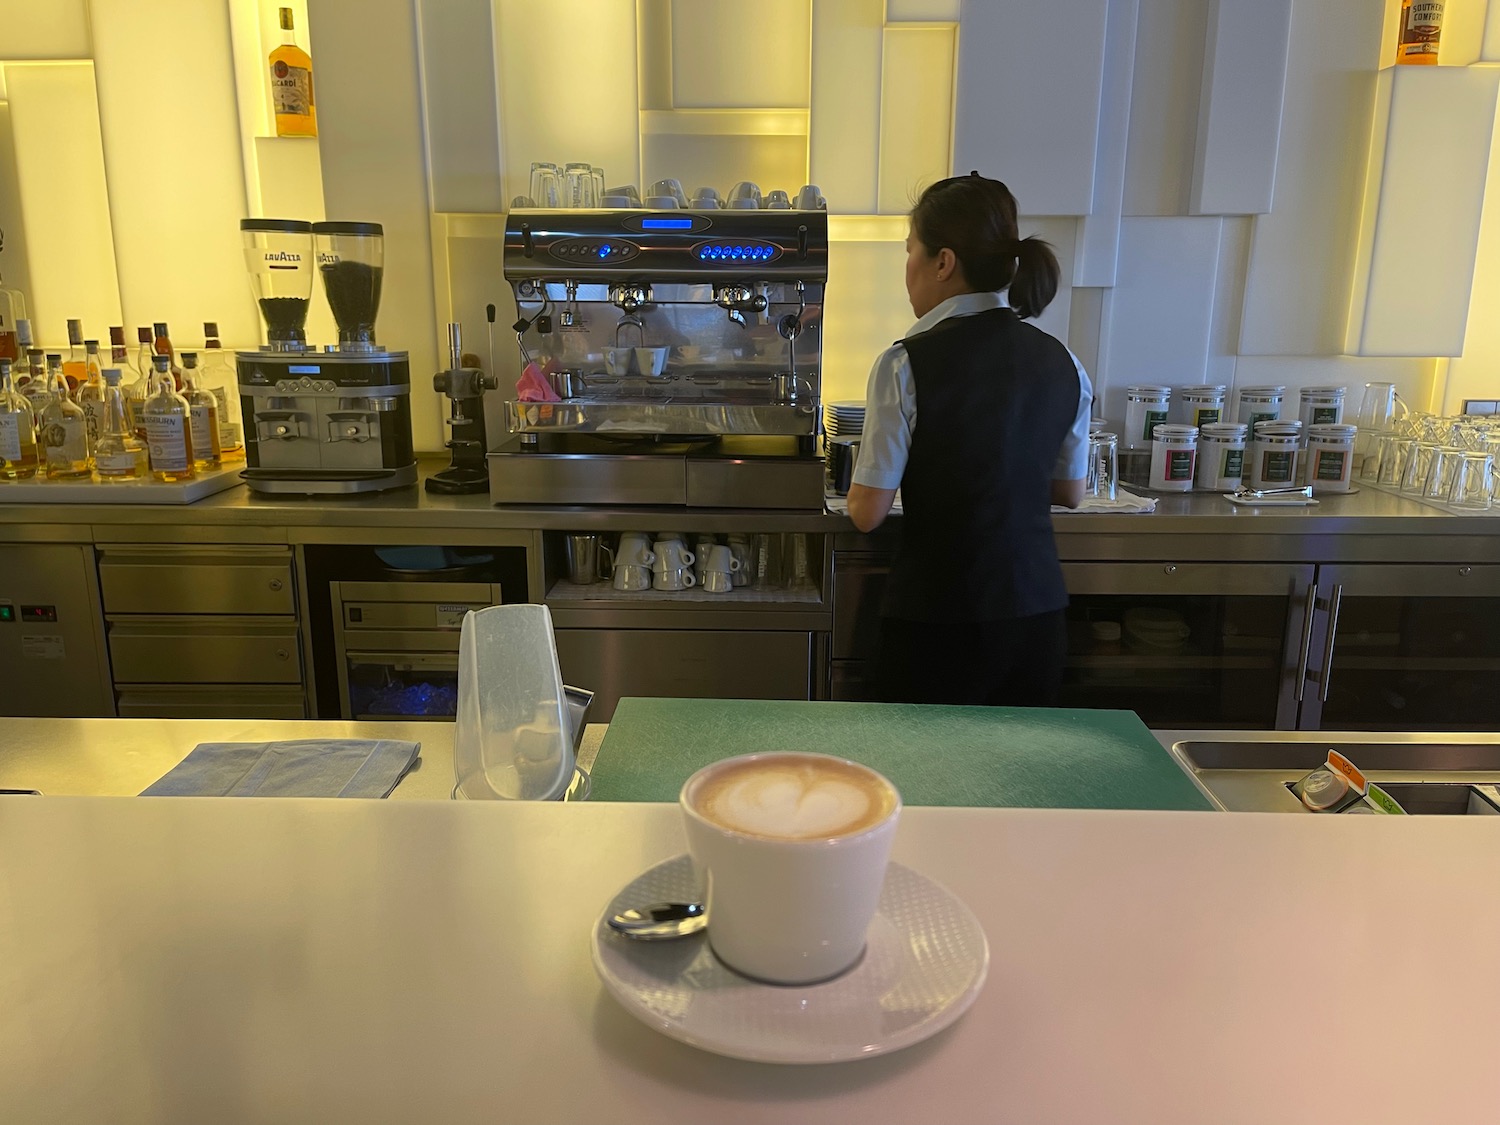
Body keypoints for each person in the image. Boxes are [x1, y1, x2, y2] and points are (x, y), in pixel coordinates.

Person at [845, 172, 1092, 707]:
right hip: (1035, 615)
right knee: (1019, 777)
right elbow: (1070, 491)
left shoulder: (904, 362)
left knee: (925, 777)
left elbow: (867, 512)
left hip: (937, 618)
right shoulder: (1064, 361)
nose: (906, 268)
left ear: (943, 262)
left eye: (910, 250)